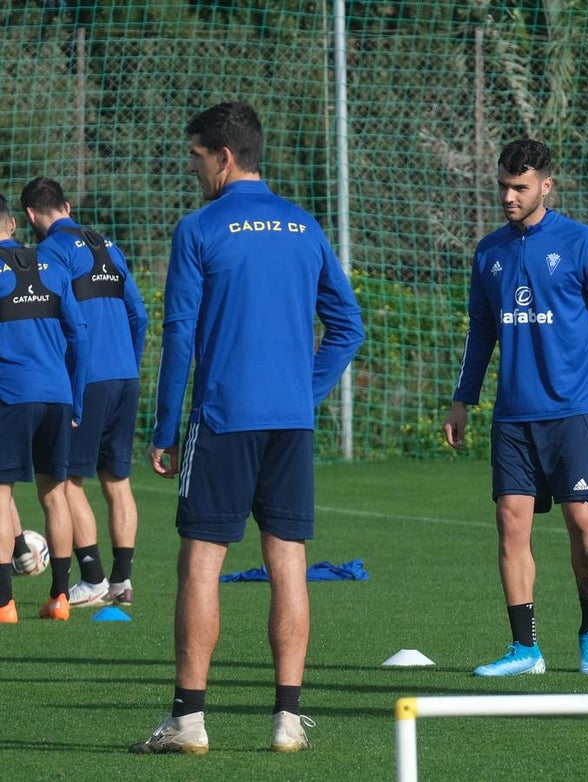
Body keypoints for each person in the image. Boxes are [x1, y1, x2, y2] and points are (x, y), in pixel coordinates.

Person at [131, 102, 364, 754]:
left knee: (200, 564)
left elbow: (179, 334)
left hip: (225, 419)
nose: (194, 171)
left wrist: (165, 428)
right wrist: (304, 393)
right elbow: (349, 327)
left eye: (197, 159)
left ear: (223, 156)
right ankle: (288, 721)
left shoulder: (199, 228)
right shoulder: (304, 225)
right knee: (288, 561)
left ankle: (188, 720)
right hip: (290, 425)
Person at [444, 138, 588, 677]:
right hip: (513, 415)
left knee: (584, 523)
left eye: (520, 188)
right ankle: (524, 648)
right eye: (504, 187)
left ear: (546, 187)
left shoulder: (581, 243)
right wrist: (462, 400)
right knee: (511, 524)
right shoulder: (489, 252)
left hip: (576, 410)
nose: (509, 197)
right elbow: (480, 332)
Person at [21, 176, 148, 609]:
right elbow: (140, 314)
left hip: (87, 379)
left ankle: (92, 578)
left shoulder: (49, 252)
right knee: (118, 480)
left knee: (68, 482)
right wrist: (130, 363)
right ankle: (122, 582)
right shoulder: (109, 246)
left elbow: (60, 319)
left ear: (30, 216)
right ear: (68, 206)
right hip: (125, 378)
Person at [0, 193, 89, 623]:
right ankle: (60, 598)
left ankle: (4, 603)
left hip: (11, 395)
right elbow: (80, 335)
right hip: (57, 393)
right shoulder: (52, 265)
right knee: (56, 494)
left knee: (0, 495)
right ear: (12, 223)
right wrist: (77, 394)